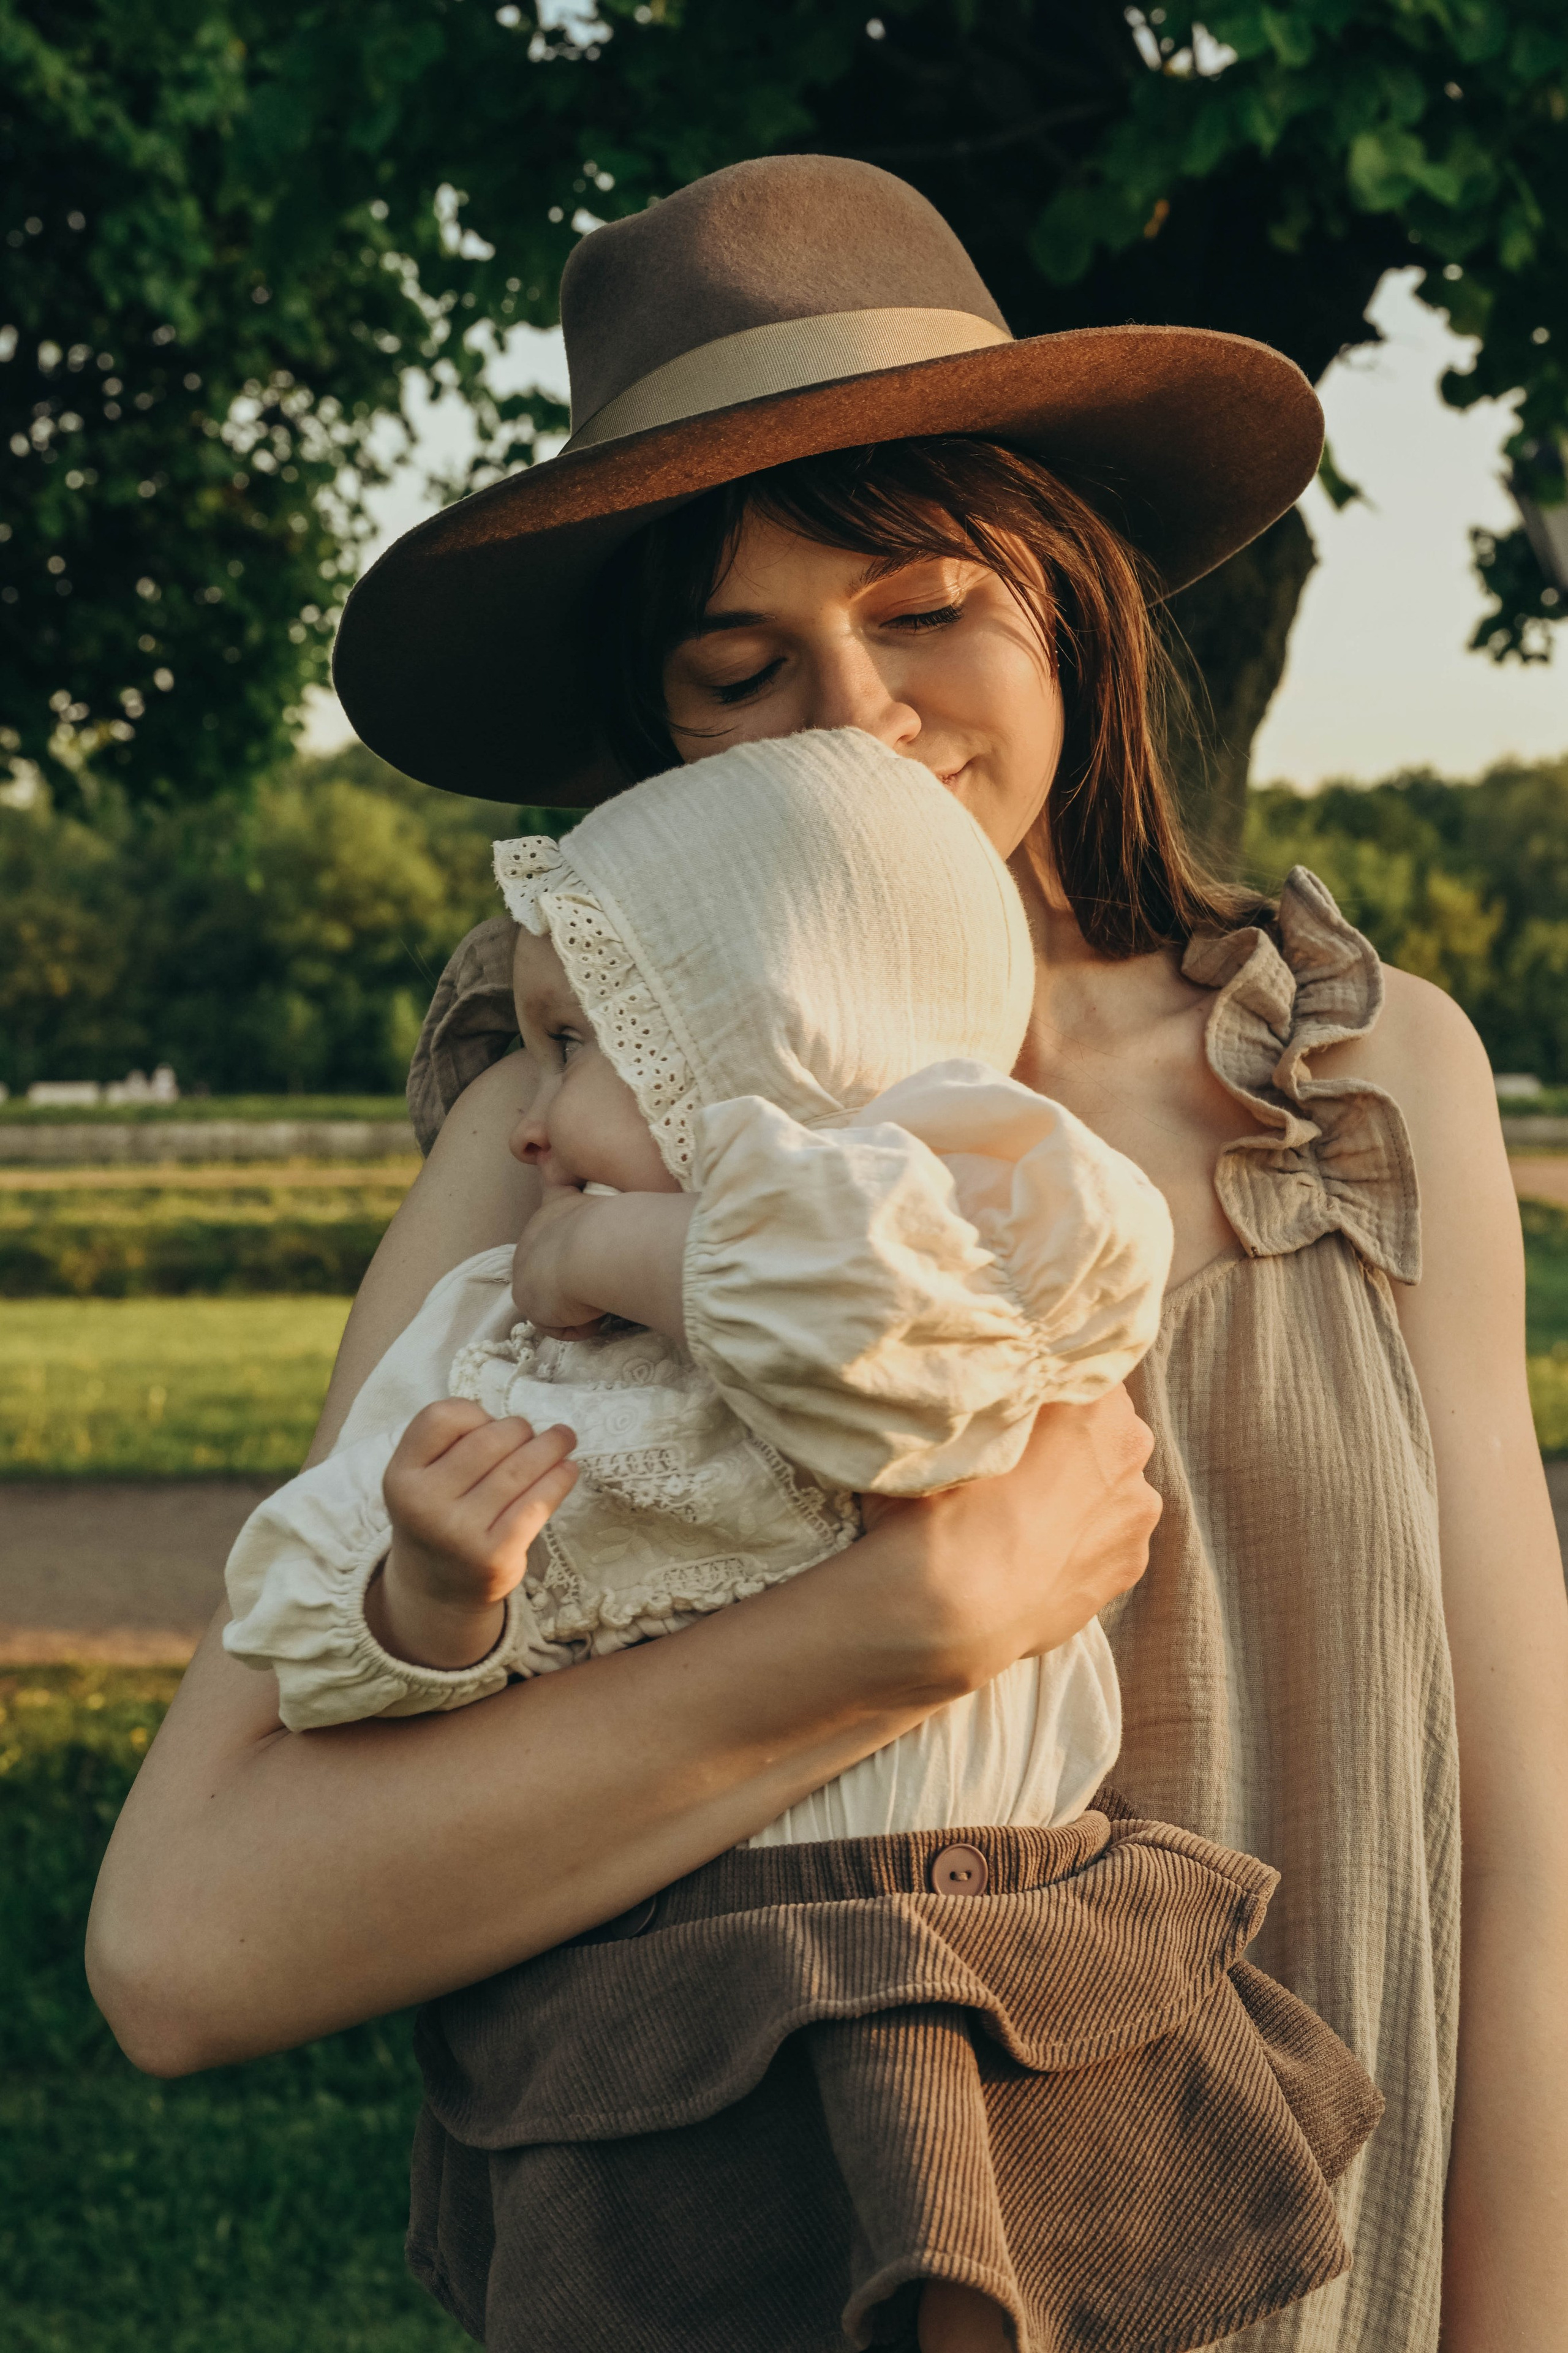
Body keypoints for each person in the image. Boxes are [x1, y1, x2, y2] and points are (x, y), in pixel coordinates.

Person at [86, 154, 1568, 2353]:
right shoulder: (560, 1140)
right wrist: (904, 1623)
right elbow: (191, 1943)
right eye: (737, 663)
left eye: (926, 607)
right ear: (660, 736)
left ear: (1071, 604)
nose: (850, 714)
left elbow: (1511, 1845)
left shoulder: (1351, 1084)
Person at [216, 725, 1381, 2347]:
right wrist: (430, 1595)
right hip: (655, 1997)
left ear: (752, 1029)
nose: (528, 1118)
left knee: (973, 2275)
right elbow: (305, 1626)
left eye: (576, 1041)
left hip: (968, 1944)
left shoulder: (957, 1210)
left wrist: (631, 1244)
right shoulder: (495, 1335)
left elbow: (910, 1382)